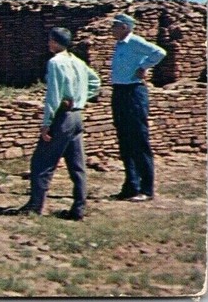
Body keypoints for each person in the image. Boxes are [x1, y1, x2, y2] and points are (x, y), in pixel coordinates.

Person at [14, 27, 100, 219]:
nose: (48, 43)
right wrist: (82, 98)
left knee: (42, 162)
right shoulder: (78, 62)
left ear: (54, 41)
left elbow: (53, 95)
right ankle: (79, 207)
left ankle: (36, 205)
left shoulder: (55, 63)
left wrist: (47, 123)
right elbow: (96, 82)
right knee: (77, 165)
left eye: (49, 40)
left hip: (62, 117)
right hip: (77, 115)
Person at [109, 13, 166, 202]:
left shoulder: (135, 41)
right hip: (119, 91)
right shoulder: (119, 45)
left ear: (125, 26)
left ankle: (146, 188)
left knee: (139, 139)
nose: (112, 29)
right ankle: (131, 186)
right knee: (125, 139)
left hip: (134, 92)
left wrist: (143, 67)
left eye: (115, 25)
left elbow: (159, 52)